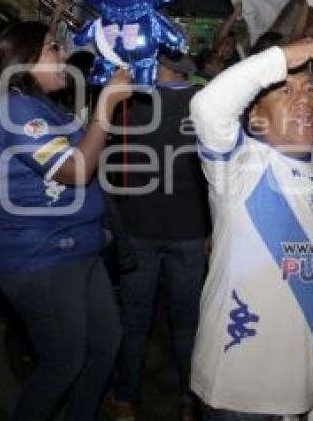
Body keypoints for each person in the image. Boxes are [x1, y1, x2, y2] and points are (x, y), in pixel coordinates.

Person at [0, 21, 129, 420]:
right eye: (52, 49)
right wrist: (105, 109)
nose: (63, 56)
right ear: (23, 61)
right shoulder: (17, 111)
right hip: (40, 257)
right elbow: (76, 170)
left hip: (79, 248)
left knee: (105, 343)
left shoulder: (45, 105)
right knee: (63, 361)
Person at [189, 38, 313, 420]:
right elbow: (207, 107)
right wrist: (280, 57)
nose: (304, 99)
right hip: (243, 394)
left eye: (310, 89)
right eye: (286, 91)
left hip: (302, 377)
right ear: (256, 117)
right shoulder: (241, 165)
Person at [110, 52, 210, 421]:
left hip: (138, 226)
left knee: (135, 317)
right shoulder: (203, 104)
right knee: (187, 322)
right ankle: (190, 398)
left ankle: (125, 400)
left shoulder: (128, 102)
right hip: (188, 228)